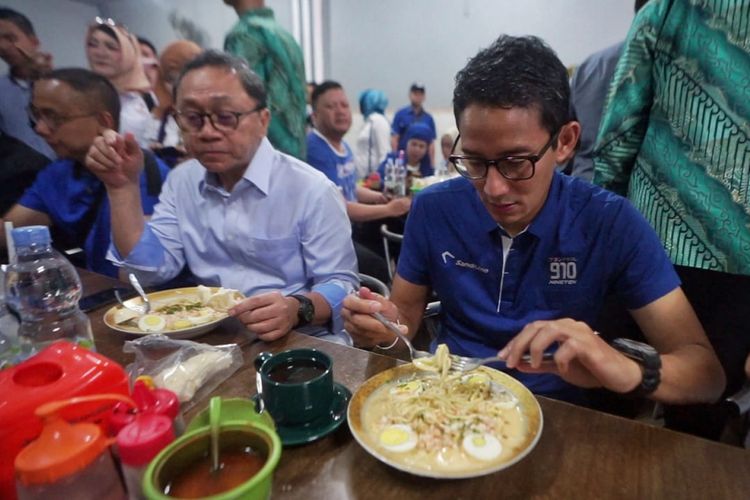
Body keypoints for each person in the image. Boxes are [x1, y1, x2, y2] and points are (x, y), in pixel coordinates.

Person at [343, 35, 725, 407]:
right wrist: (380, 330)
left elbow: (705, 374)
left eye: (515, 162)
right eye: (474, 161)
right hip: (451, 398)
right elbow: (403, 331)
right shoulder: (433, 209)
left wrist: (626, 368)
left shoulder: (610, 222)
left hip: (561, 413)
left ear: (564, 142)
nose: (493, 188)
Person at [85, 51, 358, 344]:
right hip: (211, 337)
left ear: (263, 120)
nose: (207, 132)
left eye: (226, 117)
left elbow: (342, 284)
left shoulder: (310, 189)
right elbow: (150, 272)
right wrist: (123, 188)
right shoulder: (182, 181)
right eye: (192, 118)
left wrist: (296, 308)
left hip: (298, 339)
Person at [594, 0, 750, 438]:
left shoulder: (665, 14)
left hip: (653, 244)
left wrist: (607, 234)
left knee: (612, 386)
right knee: (703, 405)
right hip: (740, 262)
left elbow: (617, 138)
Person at [0, 68, 168, 277]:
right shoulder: (57, 173)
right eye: (36, 115)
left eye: (53, 117)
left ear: (103, 122)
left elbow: (144, 271)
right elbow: (6, 232)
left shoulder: (140, 173)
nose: (40, 129)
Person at [306, 80, 410, 284]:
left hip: (352, 227)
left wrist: (379, 197)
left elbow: (351, 187)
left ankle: (408, 284)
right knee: (377, 266)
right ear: (315, 116)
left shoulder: (342, 145)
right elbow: (340, 206)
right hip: (331, 236)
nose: (340, 111)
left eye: (344, 105)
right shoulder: (316, 148)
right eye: (330, 106)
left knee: (401, 223)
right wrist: (389, 208)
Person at [565, 0, 649, 180]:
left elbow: (567, 144)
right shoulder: (662, 65)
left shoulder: (588, 67)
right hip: (629, 193)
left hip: (583, 185)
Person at [223, 0, 306, 160]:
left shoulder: (243, 34)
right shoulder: (284, 35)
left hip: (261, 156)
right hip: (293, 157)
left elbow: (243, 100)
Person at [85, 17, 152, 147]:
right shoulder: (81, 92)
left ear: (128, 54)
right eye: (93, 44)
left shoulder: (134, 105)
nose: (100, 53)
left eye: (111, 47)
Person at [0, 7, 54, 159]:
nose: (3, 47)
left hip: (69, 171)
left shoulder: (60, 83)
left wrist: (45, 79)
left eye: (10, 38)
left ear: (33, 41)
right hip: (22, 177)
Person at [145, 40, 202, 166]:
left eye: (184, 77)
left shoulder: (216, 117)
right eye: (171, 79)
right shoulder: (158, 118)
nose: (178, 86)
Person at [391, 82, 436, 169]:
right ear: (410, 95)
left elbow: (431, 144)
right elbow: (394, 139)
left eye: (420, 94)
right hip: (403, 161)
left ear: (424, 97)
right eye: (415, 94)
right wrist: (395, 159)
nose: (418, 97)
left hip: (423, 163)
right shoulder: (400, 114)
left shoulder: (429, 118)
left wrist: (432, 164)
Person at [354, 89, 390, 179]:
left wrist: (379, 178)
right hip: (362, 178)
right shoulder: (369, 121)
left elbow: (384, 152)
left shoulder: (378, 120)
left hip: (372, 180)